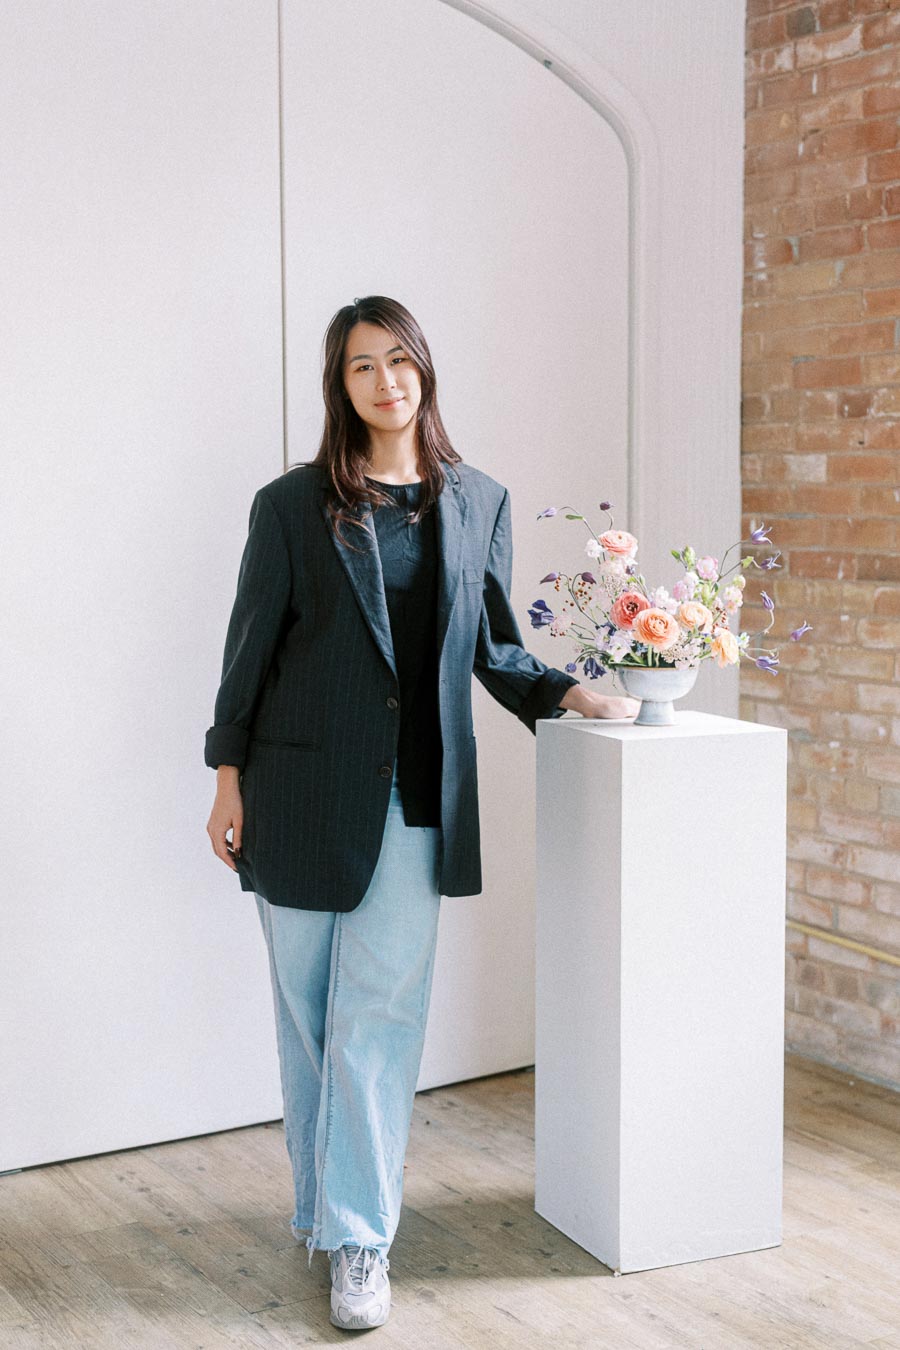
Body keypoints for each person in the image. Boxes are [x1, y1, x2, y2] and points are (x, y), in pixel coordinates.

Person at [204, 295, 639, 1330]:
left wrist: (572, 694)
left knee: (380, 1022)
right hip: (296, 792)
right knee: (309, 1018)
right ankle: (320, 1210)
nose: (385, 380)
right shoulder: (291, 505)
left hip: (414, 799)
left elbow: (493, 646)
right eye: (363, 366)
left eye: (399, 360)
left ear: (425, 370)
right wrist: (226, 777)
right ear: (341, 385)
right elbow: (249, 648)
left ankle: (361, 1239)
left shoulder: (479, 500)